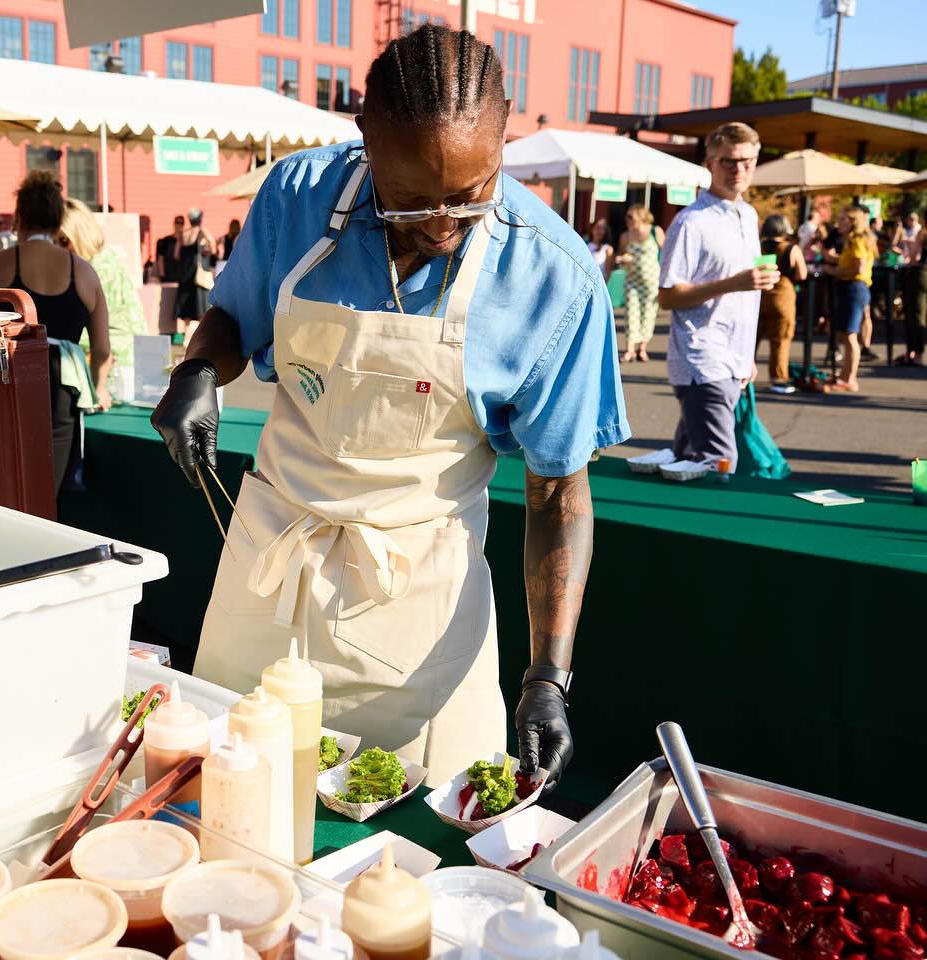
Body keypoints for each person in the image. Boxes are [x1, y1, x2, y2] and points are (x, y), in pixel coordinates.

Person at [150, 23, 628, 788]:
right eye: (406, 201)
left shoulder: (555, 281)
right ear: (364, 136)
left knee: (401, 868)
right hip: (268, 568)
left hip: (419, 607)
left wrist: (547, 677)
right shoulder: (296, 198)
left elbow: (558, 493)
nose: (439, 225)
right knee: (234, 801)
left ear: (506, 134)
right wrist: (199, 371)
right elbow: (235, 319)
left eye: (469, 198)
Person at [0, 171, 114, 494]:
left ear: (18, 216)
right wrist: (99, 387)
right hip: (61, 389)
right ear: (58, 220)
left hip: (7, 381)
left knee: (8, 484)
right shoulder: (82, 271)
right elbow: (103, 349)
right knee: (50, 490)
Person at [658, 122, 775, 470]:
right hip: (702, 358)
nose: (738, 169)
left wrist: (745, 356)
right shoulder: (691, 222)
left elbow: (743, 299)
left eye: (747, 161)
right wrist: (734, 282)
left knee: (687, 459)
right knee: (719, 462)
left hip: (730, 359)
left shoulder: (748, 214)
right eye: (728, 161)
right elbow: (667, 296)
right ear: (709, 163)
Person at [59, 197, 147, 385]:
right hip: (113, 359)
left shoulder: (100, 269)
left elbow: (93, 330)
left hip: (116, 364)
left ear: (79, 235)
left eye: (63, 240)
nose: (58, 247)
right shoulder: (99, 262)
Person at [823, 206, 874, 393]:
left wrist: (833, 270)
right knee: (846, 334)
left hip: (854, 287)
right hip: (852, 288)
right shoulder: (851, 241)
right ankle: (845, 375)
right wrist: (833, 259)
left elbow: (858, 268)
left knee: (851, 335)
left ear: (853, 222)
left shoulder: (856, 241)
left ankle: (849, 379)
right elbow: (849, 261)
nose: (839, 223)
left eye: (843, 219)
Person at [757, 215, 808, 394]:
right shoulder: (790, 249)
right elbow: (802, 274)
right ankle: (778, 378)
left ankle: (741, 376)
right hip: (783, 297)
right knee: (781, 340)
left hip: (759, 297)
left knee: (750, 340)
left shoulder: (758, 247)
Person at [616, 205, 665, 363]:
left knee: (648, 314)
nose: (628, 220)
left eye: (631, 216)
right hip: (632, 281)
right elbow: (623, 254)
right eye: (627, 217)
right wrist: (623, 260)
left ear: (641, 216)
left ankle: (642, 348)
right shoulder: (625, 236)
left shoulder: (654, 231)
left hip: (652, 281)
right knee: (631, 313)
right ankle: (629, 349)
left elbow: (666, 253)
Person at [173, 208, 215, 341]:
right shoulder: (202, 232)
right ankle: (200, 337)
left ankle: (185, 337)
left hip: (185, 275)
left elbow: (176, 254)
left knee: (186, 309)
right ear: (200, 219)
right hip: (197, 277)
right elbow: (213, 248)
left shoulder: (183, 234)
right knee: (200, 308)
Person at [900, 209, 925, 367]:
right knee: (919, 314)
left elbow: (914, 256)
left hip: (919, 274)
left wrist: (909, 244)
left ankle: (917, 354)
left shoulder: (923, 233)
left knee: (915, 314)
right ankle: (915, 352)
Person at [154, 215, 185, 281]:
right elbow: (160, 258)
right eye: (177, 222)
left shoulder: (185, 242)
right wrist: (162, 275)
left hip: (181, 276)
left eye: (181, 223)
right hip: (168, 275)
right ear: (174, 224)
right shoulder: (165, 241)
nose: (179, 225)